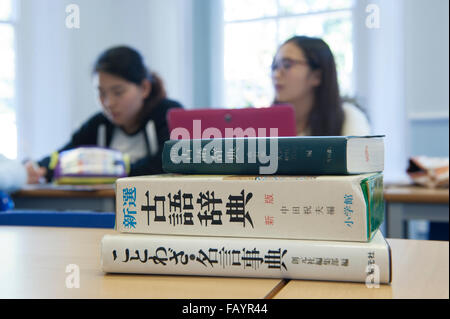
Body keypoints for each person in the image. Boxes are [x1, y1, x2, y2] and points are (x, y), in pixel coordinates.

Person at [38, 46, 183, 181]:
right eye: (101, 93)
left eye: (118, 92)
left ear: (144, 88)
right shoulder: (99, 124)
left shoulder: (169, 115)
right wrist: (40, 169)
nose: (108, 103)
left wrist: (109, 170)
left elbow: (168, 162)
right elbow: (64, 156)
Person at [271, 35, 370, 136]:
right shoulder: (266, 122)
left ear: (317, 76)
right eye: (274, 67)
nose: (276, 74)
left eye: (287, 65)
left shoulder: (349, 117)